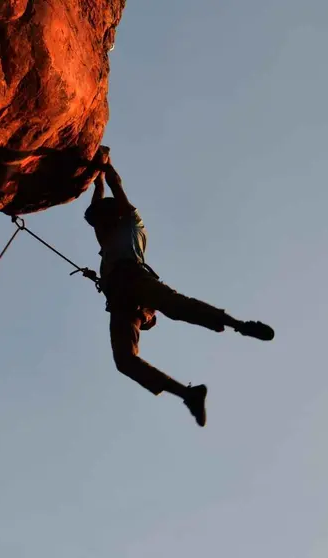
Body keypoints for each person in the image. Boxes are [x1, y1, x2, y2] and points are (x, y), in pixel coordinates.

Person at [82, 146, 274, 427]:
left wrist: (106, 165)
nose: (98, 226)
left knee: (176, 306)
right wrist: (96, 177)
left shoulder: (131, 223)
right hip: (121, 300)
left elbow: (116, 187)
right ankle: (187, 394)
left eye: (101, 219)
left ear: (111, 216)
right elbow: (99, 199)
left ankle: (239, 324)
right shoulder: (107, 236)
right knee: (124, 360)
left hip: (135, 280)